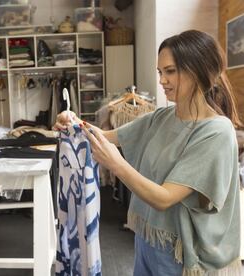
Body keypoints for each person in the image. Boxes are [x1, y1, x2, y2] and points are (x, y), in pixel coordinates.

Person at [53, 30, 242, 275]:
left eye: (170, 71)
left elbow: (164, 198)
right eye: (160, 72)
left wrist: (116, 164)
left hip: (181, 254)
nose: (162, 80)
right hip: (147, 240)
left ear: (199, 70)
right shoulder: (162, 117)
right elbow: (101, 136)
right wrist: (73, 122)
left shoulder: (216, 132)